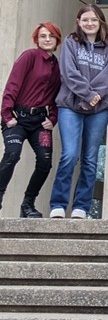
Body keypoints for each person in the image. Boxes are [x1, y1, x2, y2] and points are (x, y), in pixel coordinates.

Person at [49, 5, 108, 219]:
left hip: (99, 110)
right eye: (85, 20)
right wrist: (87, 95)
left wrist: (92, 98)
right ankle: (58, 204)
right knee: (69, 155)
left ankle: (81, 206)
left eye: (94, 20)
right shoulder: (70, 43)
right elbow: (69, 73)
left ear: (101, 23)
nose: (90, 23)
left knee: (90, 158)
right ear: (78, 22)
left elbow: (107, 78)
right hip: (70, 105)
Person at [0, 23, 62, 218]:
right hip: (18, 118)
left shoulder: (56, 65)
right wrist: (6, 115)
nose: (47, 39)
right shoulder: (29, 56)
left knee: (45, 162)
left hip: (40, 122)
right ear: (37, 39)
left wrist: (52, 118)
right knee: (12, 154)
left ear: (57, 40)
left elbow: (55, 96)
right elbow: (12, 84)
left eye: (51, 36)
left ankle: (28, 204)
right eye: (42, 36)